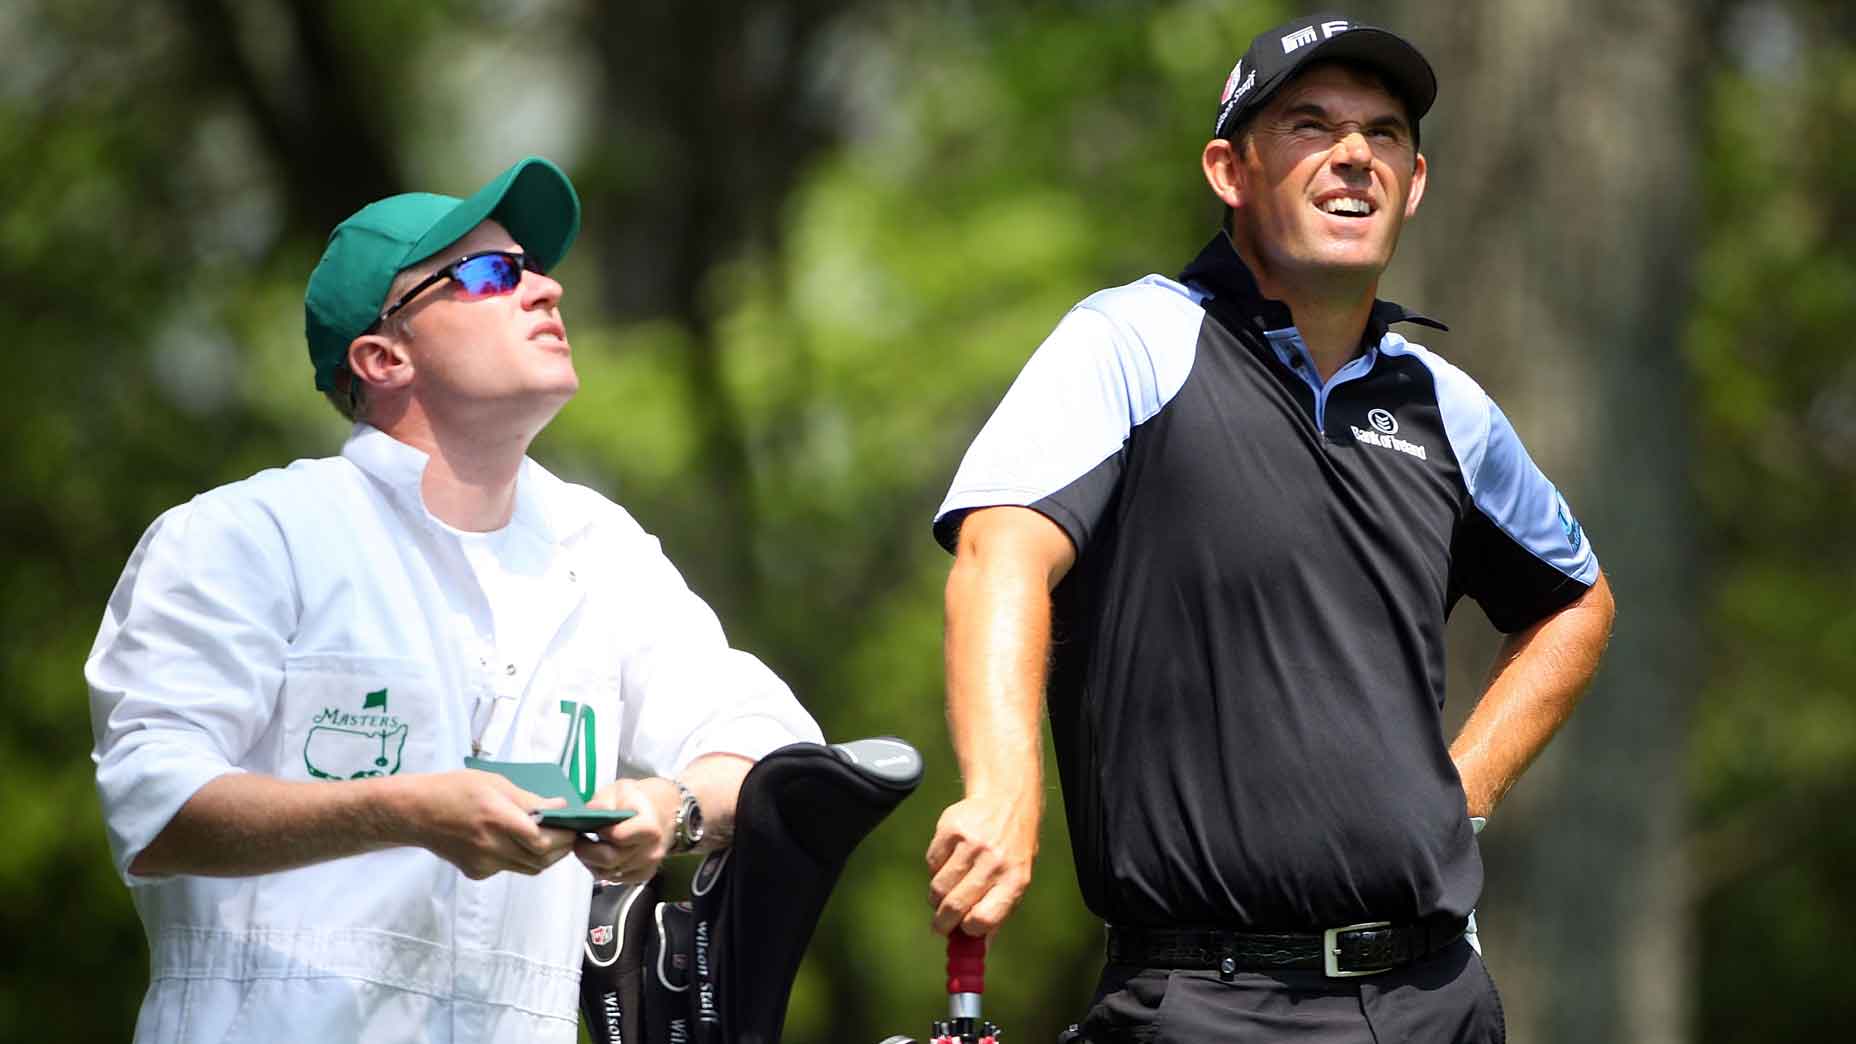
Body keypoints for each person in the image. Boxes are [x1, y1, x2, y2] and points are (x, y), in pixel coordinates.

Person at [924, 12, 1616, 1042]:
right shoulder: (1132, 342)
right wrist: (1001, 789)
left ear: (1413, 185)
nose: (1352, 157)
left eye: (1382, 135)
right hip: (1208, 1001)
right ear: (1228, 169)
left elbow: (1575, 602)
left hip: (1434, 998)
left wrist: (1459, 790)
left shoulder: (1444, 406)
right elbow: (1000, 550)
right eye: (1309, 125)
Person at [86, 156, 822, 1043]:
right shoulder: (248, 535)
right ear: (382, 356)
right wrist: (407, 810)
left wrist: (675, 809)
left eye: (538, 269)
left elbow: (777, 747)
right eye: (488, 274)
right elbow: (155, 805)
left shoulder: (604, 549)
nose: (544, 290)